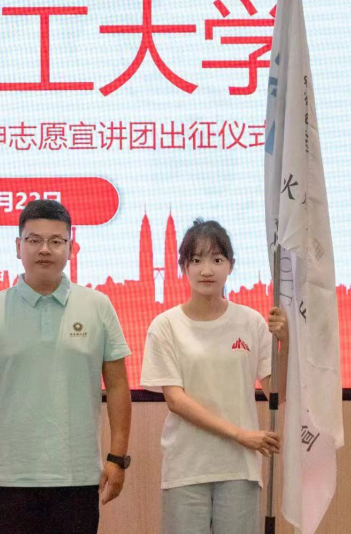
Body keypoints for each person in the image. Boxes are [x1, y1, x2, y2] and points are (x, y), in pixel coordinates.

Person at [0, 198, 132, 534]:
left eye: (56, 241)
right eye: (34, 240)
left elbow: (118, 386)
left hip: (79, 475)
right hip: (10, 476)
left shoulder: (98, 306)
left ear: (71, 248)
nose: (45, 250)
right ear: (18, 246)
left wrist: (117, 458)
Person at [140, 218, 289, 534]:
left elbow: (277, 391)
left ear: (231, 265)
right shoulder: (166, 326)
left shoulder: (251, 322)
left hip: (239, 469)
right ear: (184, 267)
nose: (206, 270)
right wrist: (240, 434)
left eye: (217, 260)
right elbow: (176, 401)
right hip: (186, 468)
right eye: (196, 260)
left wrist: (285, 343)